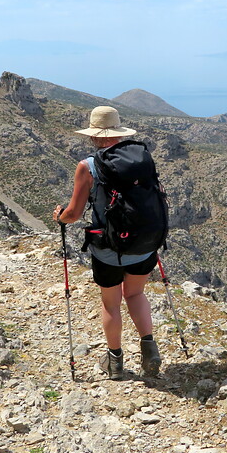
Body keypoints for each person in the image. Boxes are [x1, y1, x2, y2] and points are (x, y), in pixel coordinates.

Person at [53, 106, 162, 380]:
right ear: (119, 133)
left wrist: (59, 217)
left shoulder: (88, 166)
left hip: (109, 250)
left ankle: (115, 363)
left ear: (94, 135)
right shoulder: (141, 159)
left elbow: (74, 213)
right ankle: (149, 348)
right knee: (135, 294)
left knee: (111, 304)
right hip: (144, 244)